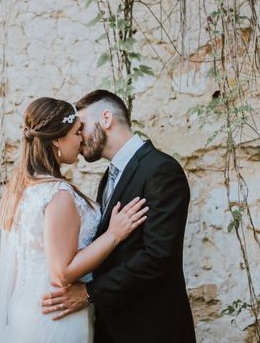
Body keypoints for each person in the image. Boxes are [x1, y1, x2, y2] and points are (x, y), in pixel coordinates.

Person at [41, 89, 196, 343]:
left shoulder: (161, 170)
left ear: (106, 118)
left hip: (151, 327)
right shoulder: (109, 177)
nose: (79, 138)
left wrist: (89, 293)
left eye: (82, 127)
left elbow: (158, 256)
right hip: (113, 327)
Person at [0, 97, 148, 343]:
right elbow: (62, 272)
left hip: (30, 310)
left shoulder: (23, 189)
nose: (81, 139)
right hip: (57, 315)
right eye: (77, 132)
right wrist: (113, 235)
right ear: (56, 140)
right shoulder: (58, 194)